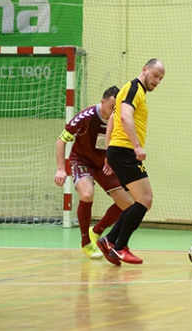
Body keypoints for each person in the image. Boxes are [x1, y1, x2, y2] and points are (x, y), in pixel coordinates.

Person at [97, 58, 165, 266]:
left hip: (119, 150)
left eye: (160, 79)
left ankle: (109, 240)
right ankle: (120, 247)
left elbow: (112, 121)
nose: (157, 81)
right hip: (126, 150)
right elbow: (125, 117)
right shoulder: (134, 88)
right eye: (155, 76)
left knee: (139, 200)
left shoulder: (133, 91)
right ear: (145, 70)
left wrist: (109, 151)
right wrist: (136, 146)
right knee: (145, 199)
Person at [54, 86, 134, 259]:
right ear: (102, 102)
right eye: (112, 106)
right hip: (82, 160)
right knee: (87, 193)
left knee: (128, 204)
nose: (115, 111)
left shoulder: (121, 120)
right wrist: (61, 169)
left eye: (118, 107)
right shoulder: (86, 117)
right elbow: (61, 141)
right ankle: (86, 243)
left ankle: (96, 231)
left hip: (106, 163)